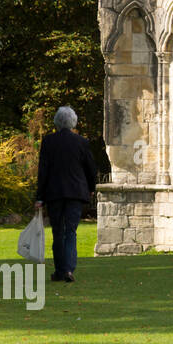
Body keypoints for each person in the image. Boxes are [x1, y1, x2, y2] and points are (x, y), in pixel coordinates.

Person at [35, 107, 98, 283]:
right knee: (70, 231)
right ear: (73, 122)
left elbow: (43, 171)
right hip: (76, 192)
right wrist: (91, 188)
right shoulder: (81, 142)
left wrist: (39, 197)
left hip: (54, 193)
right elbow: (91, 169)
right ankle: (69, 269)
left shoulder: (48, 142)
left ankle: (60, 270)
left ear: (56, 122)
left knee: (58, 232)